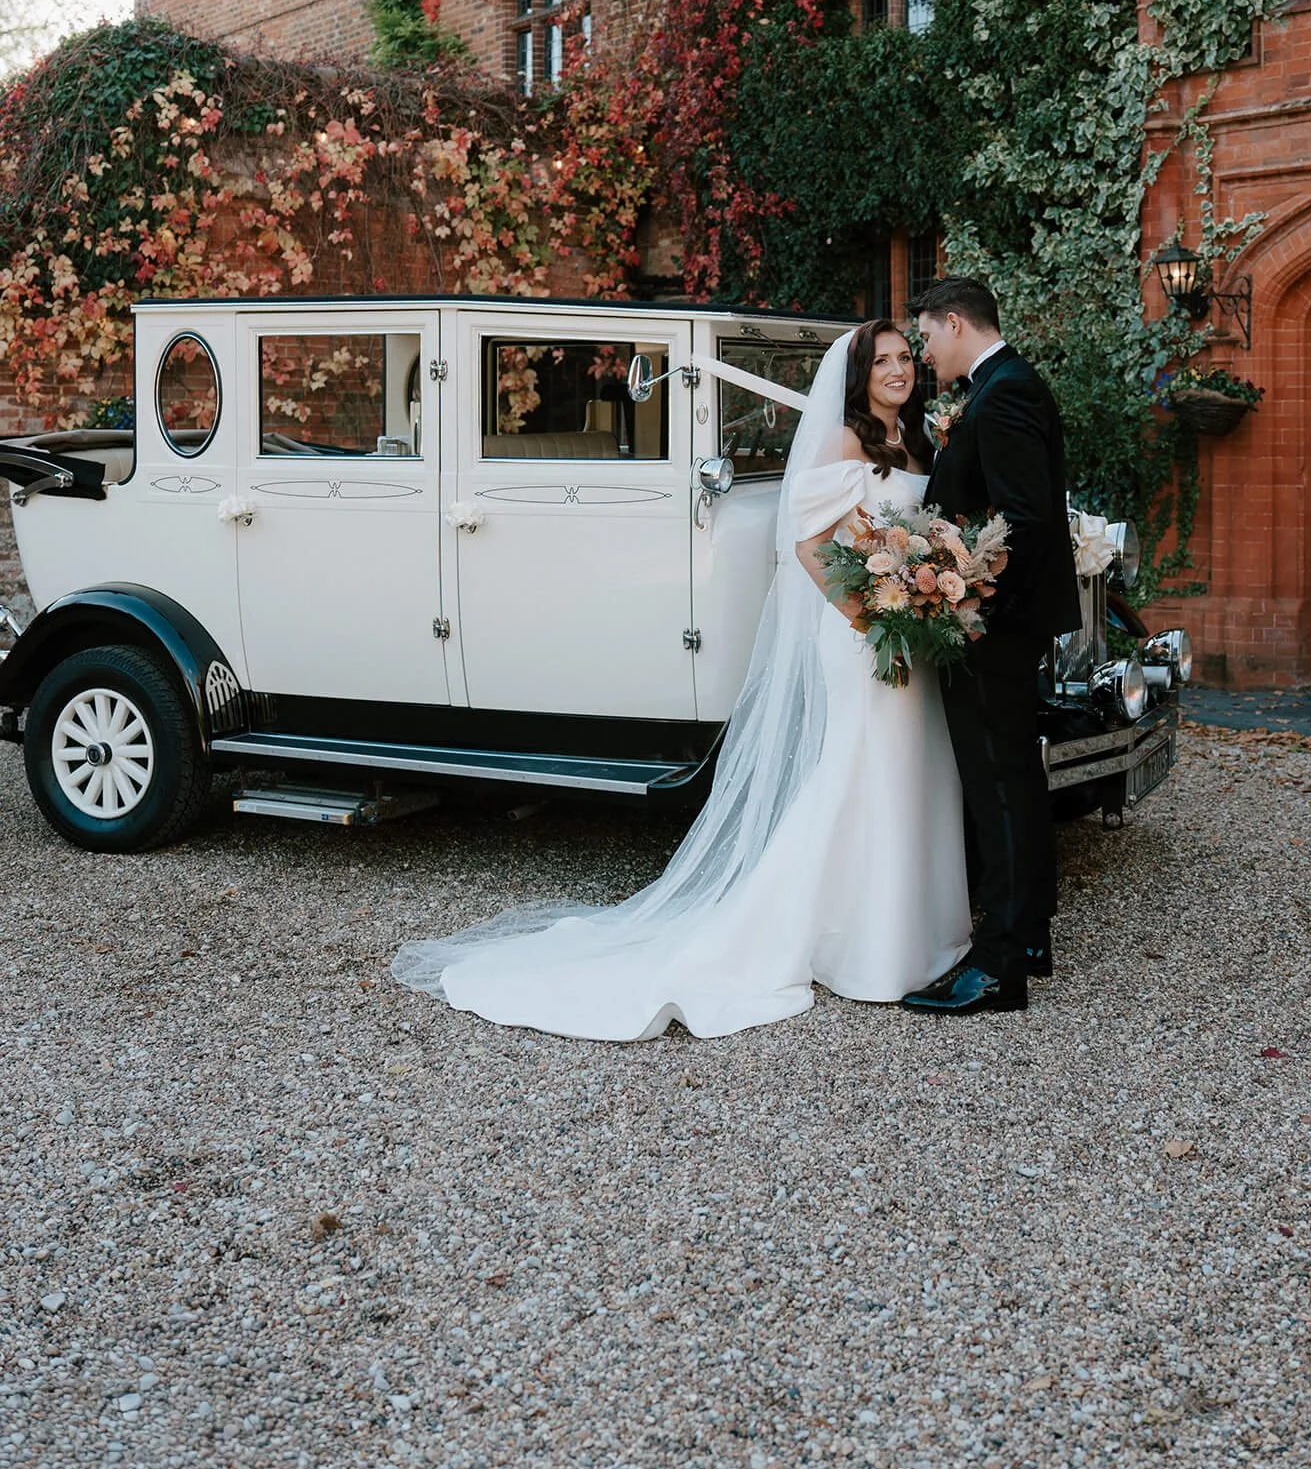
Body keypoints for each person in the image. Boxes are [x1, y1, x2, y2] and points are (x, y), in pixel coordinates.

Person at [391, 322, 970, 1040]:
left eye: (904, 358)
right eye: (881, 361)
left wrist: (931, 593)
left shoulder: (921, 442)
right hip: (860, 634)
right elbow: (811, 544)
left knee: (913, 770)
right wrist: (868, 619)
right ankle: (852, 945)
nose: (897, 370)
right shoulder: (843, 441)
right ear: (858, 376)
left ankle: (908, 935)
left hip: (908, 630)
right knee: (864, 768)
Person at [899, 277, 1082, 1018]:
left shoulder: (1002, 392)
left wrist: (969, 602)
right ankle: (1029, 936)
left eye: (928, 337)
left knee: (997, 783)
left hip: (994, 628)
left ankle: (999, 967)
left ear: (954, 323)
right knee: (1016, 778)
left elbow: (1027, 520)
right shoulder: (1007, 384)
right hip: (1010, 623)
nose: (924, 352)